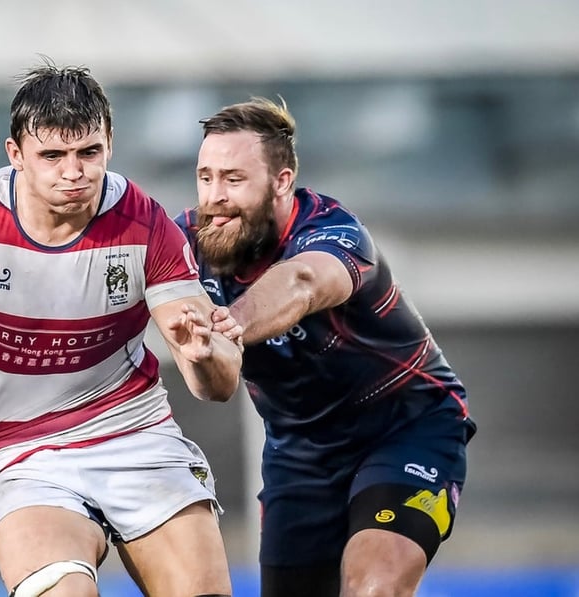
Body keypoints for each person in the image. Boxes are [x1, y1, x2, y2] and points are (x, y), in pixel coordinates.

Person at [0, 60, 243, 597]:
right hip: (21, 453)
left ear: (109, 146)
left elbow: (217, 388)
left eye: (89, 153)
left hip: (135, 435)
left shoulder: (145, 224)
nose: (73, 172)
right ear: (16, 155)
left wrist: (205, 355)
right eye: (52, 156)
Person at [175, 97, 477, 597]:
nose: (215, 196)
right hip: (299, 453)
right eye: (205, 177)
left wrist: (229, 324)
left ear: (281, 182)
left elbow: (304, 281)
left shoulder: (333, 231)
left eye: (233, 179)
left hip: (406, 428)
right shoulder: (186, 243)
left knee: (373, 587)